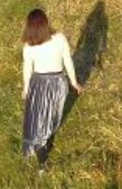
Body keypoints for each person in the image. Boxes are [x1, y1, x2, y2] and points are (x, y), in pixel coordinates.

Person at [21, 8, 82, 161]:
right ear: (46, 23)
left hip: (38, 84)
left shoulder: (29, 46)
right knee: (52, 116)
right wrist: (74, 82)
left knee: (39, 117)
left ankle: (41, 149)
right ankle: (45, 142)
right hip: (58, 83)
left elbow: (28, 68)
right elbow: (68, 61)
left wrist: (26, 88)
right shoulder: (60, 38)